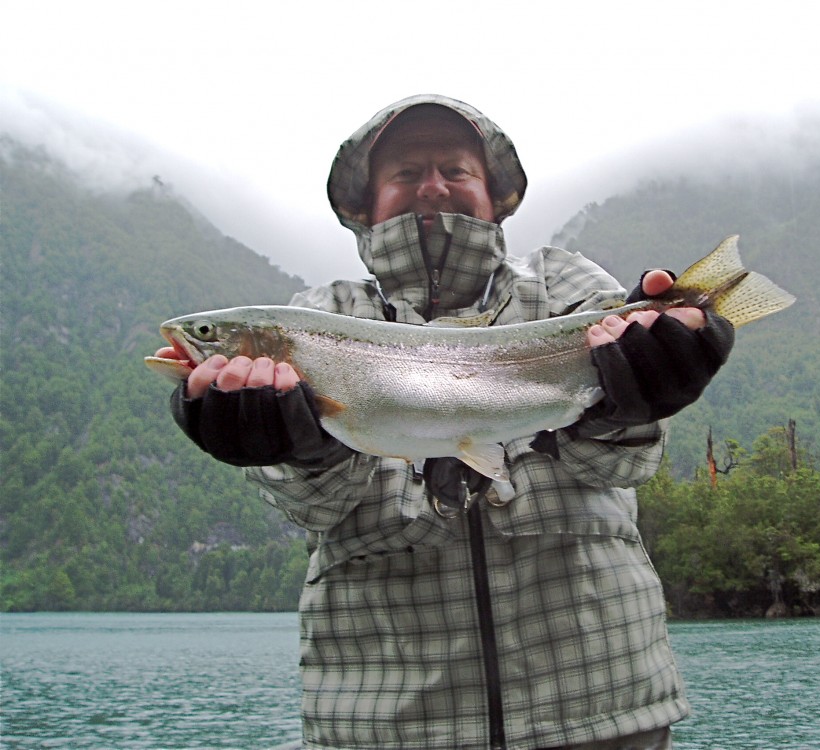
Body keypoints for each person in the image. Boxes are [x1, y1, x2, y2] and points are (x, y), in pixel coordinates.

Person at [156, 95, 734, 749]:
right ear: (364, 205)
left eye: (455, 169)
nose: (431, 185)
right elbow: (314, 506)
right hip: (385, 723)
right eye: (406, 172)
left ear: (495, 194)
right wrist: (294, 449)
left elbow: (625, 462)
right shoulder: (322, 313)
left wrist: (637, 388)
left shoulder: (562, 286)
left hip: (599, 705)